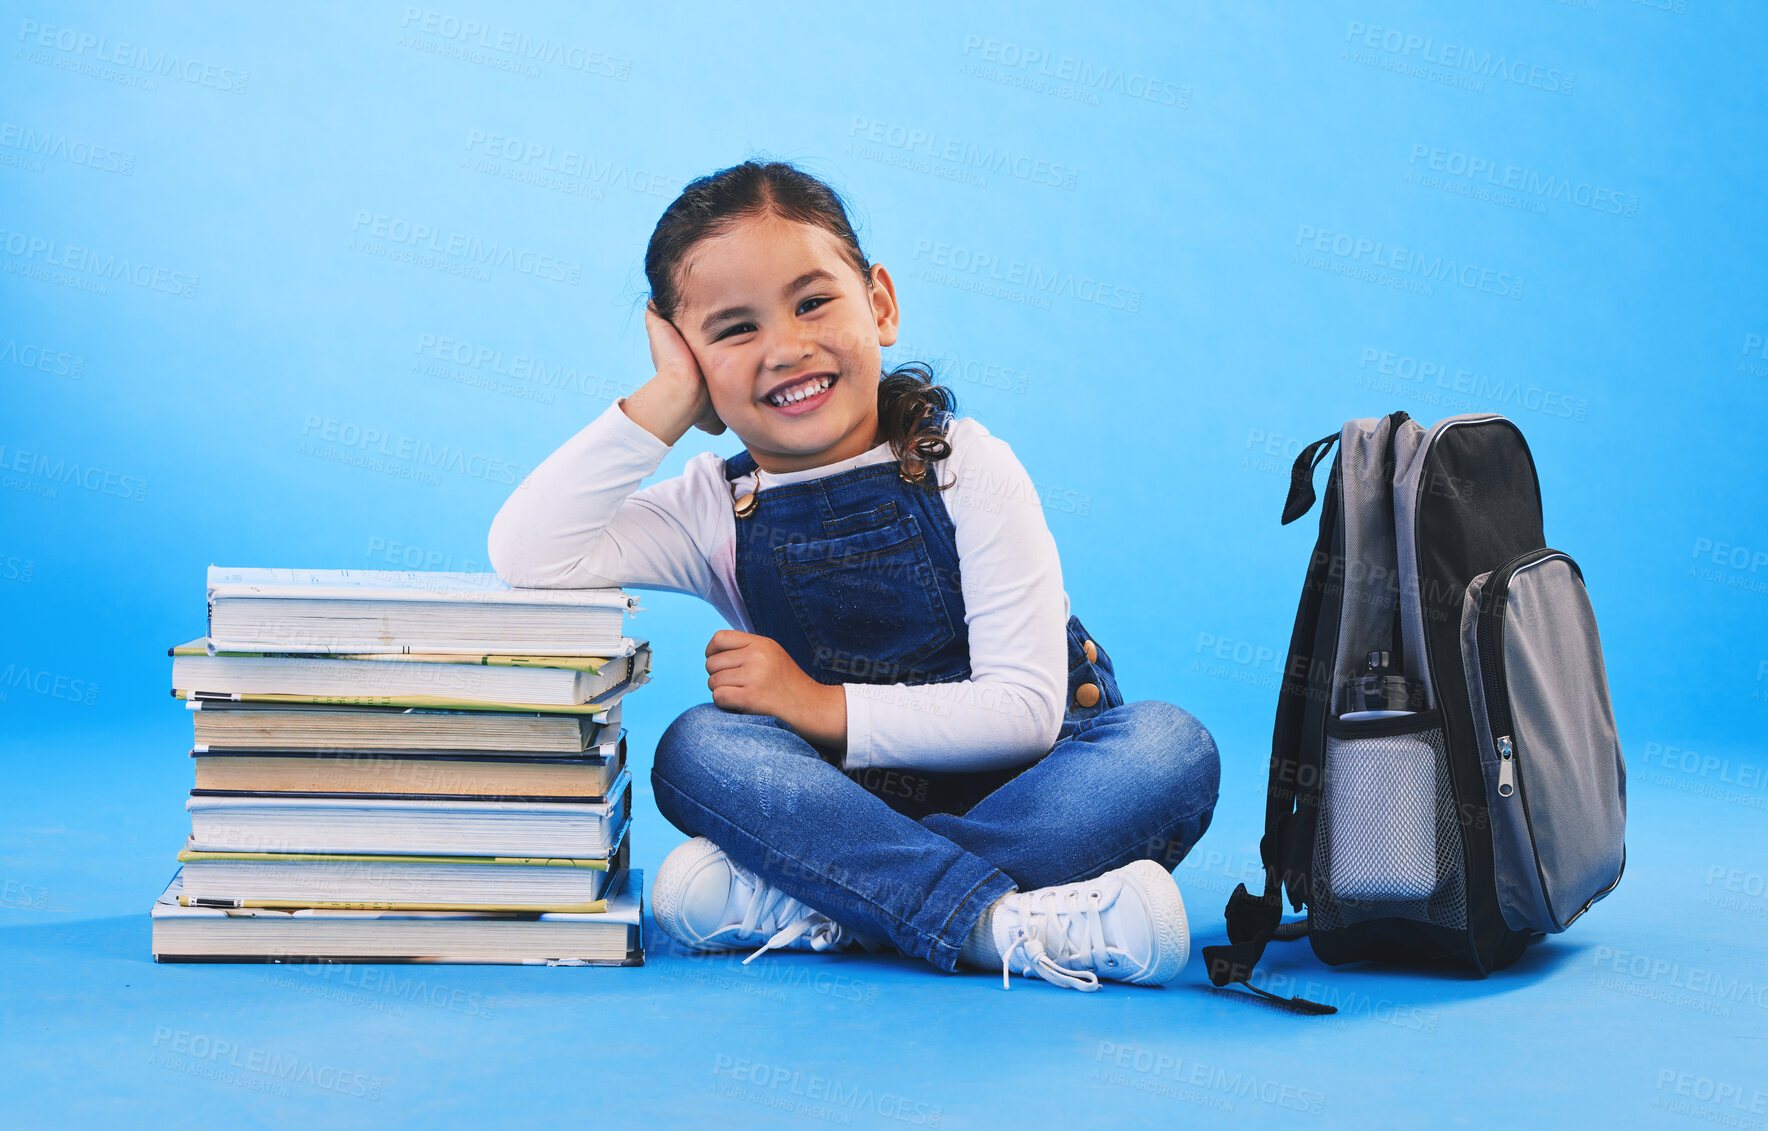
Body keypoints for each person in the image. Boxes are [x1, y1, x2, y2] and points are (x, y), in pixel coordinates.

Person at [486, 158, 1219, 991]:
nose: (787, 348)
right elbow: (529, 551)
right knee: (696, 746)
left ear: (881, 304)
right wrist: (667, 397)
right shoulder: (714, 509)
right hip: (844, 805)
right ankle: (1002, 922)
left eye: (812, 302)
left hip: (1030, 789)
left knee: (1171, 748)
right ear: (694, 364)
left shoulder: (969, 466)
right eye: (733, 331)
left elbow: (1021, 712)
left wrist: (813, 704)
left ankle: (835, 901)